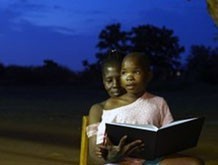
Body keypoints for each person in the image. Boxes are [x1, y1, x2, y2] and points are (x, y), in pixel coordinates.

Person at [96, 52, 204, 165]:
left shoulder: (158, 102)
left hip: (151, 161)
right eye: (124, 73)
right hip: (121, 161)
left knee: (195, 163)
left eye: (136, 72)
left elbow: (168, 134)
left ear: (148, 75)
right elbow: (102, 142)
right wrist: (108, 152)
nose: (129, 77)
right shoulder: (111, 105)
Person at [86, 50, 126, 164]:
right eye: (109, 80)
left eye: (119, 79)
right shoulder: (98, 110)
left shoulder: (142, 106)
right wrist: (112, 158)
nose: (115, 85)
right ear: (103, 82)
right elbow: (94, 156)